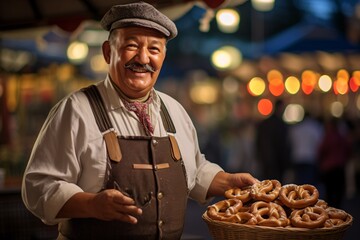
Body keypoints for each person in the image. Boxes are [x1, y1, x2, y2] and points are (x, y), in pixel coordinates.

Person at [21, 2, 257, 240]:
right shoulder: (76, 110)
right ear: (108, 52)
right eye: (131, 46)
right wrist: (91, 204)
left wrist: (226, 181)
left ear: (163, 57)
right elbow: (39, 186)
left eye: (154, 50)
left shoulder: (174, 110)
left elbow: (194, 171)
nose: (143, 58)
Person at [255, 99, 292, 183]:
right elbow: (285, 144)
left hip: (267, 160)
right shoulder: (281, 124)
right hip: (277, 161)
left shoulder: (265, 123)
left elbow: (258, 142)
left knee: (266, 184)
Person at [318, 117, 351, 208]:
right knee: (339, 191)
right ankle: (338, 209)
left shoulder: (328, 137)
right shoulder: (342, 137)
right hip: (340, 166)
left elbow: (321, 150)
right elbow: (348, 149)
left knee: (330, 191)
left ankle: (331, 210)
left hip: (329, 168)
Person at [289, 111, 323, 185]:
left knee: (299, 180)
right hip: (310, 157)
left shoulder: (297, 128)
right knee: (308, 182)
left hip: (297, 156)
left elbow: (290, 141)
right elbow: (319, 142)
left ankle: (299, 195)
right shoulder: (315, 127)